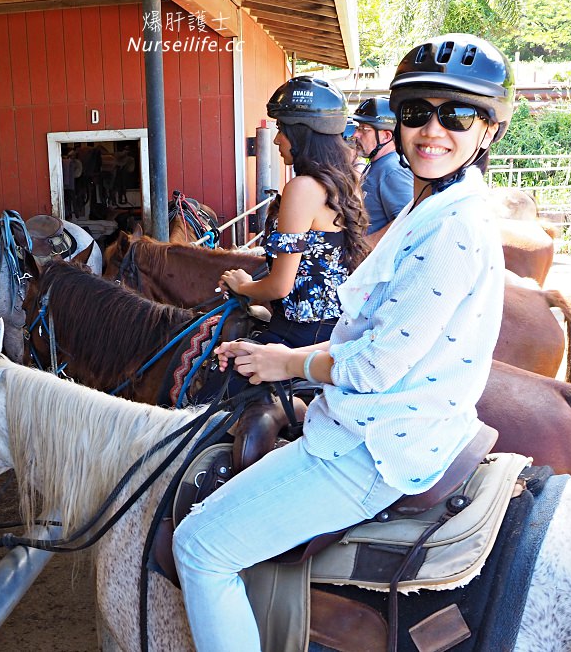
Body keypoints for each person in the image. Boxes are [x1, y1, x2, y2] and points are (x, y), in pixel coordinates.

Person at [173, 33, 513, 651]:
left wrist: (286, 360)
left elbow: (377, 365)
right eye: (418, 113)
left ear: (488, 130)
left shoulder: (455, 229)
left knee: (198, 547)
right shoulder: (429, 204)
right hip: (379, 414)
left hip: (381, 446)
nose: (433, 130)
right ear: (399, 122)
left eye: (457, 116)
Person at [218, 75, 369, 348]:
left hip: (301, 330)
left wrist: (243, 285)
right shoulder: (347, 181)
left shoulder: (302, 188)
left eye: (281, 129)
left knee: (215, 381)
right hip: (337, 324)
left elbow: (280, 286)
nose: (277, 140)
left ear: (302, 132)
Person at [351, 96, 414, 245]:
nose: (355, 135)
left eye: (364, 129)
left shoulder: (393, 170)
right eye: (357, 127)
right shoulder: (378, 164)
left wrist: (366, 245)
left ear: (386, 136)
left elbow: (408, 221)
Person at [61, 148, 83, 220]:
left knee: (69, 199)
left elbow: (77, 174)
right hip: (69, 183)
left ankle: (70, 214)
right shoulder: (73, 163)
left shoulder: (75, 163)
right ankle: (70, 214)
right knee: (69, 199)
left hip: (70, 183)